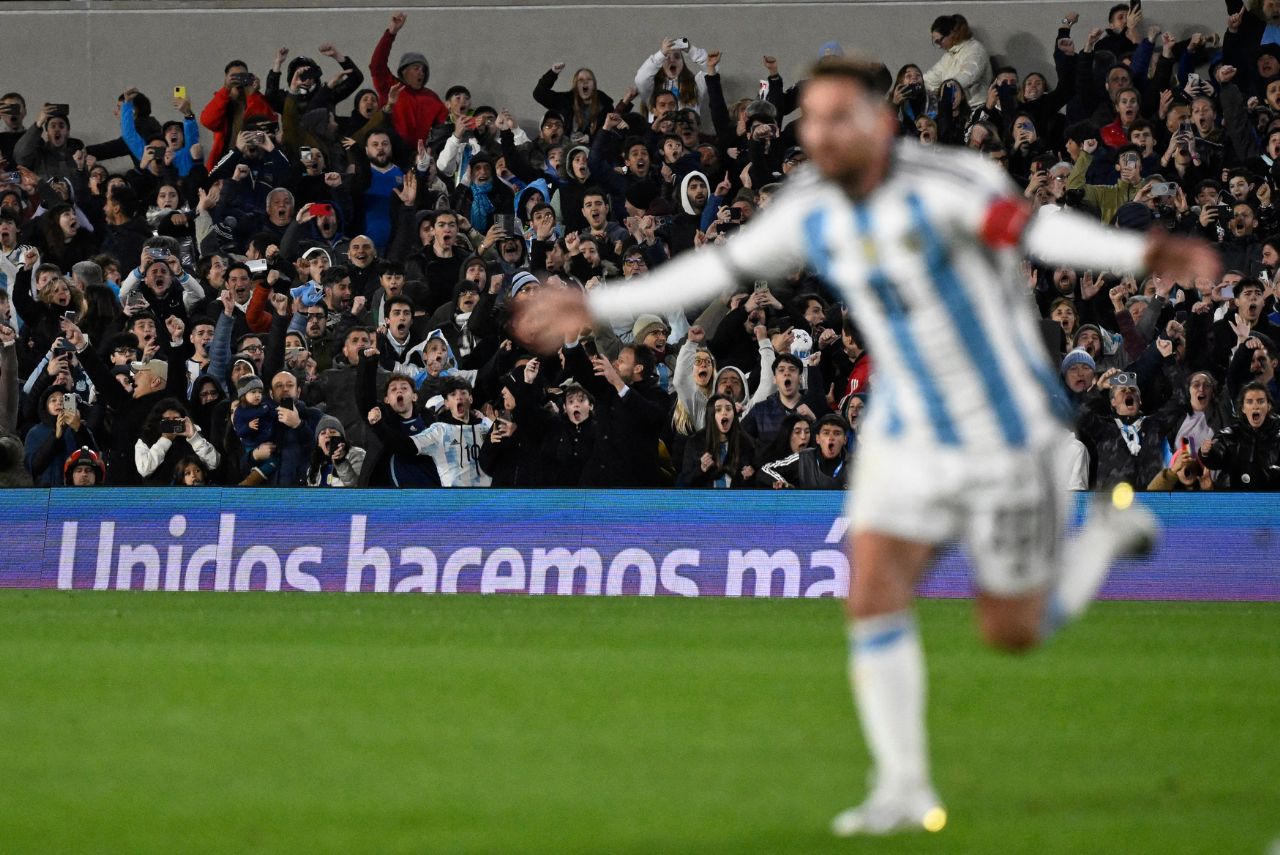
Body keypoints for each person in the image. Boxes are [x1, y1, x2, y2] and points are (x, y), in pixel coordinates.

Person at [511, 56, 1220, 837]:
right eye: (809, 118)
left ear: (878, 123)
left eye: (834, 117)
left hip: (998, 419)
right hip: (905, 421)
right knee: (873, 590)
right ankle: (904, 786)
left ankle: (1108, 536)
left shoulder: (947, 183)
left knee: (1011, 629)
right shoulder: (810, 205)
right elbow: (719, 264)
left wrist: (1141, 255)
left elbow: (1036, 229)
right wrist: (595, 301)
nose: (817, 133)